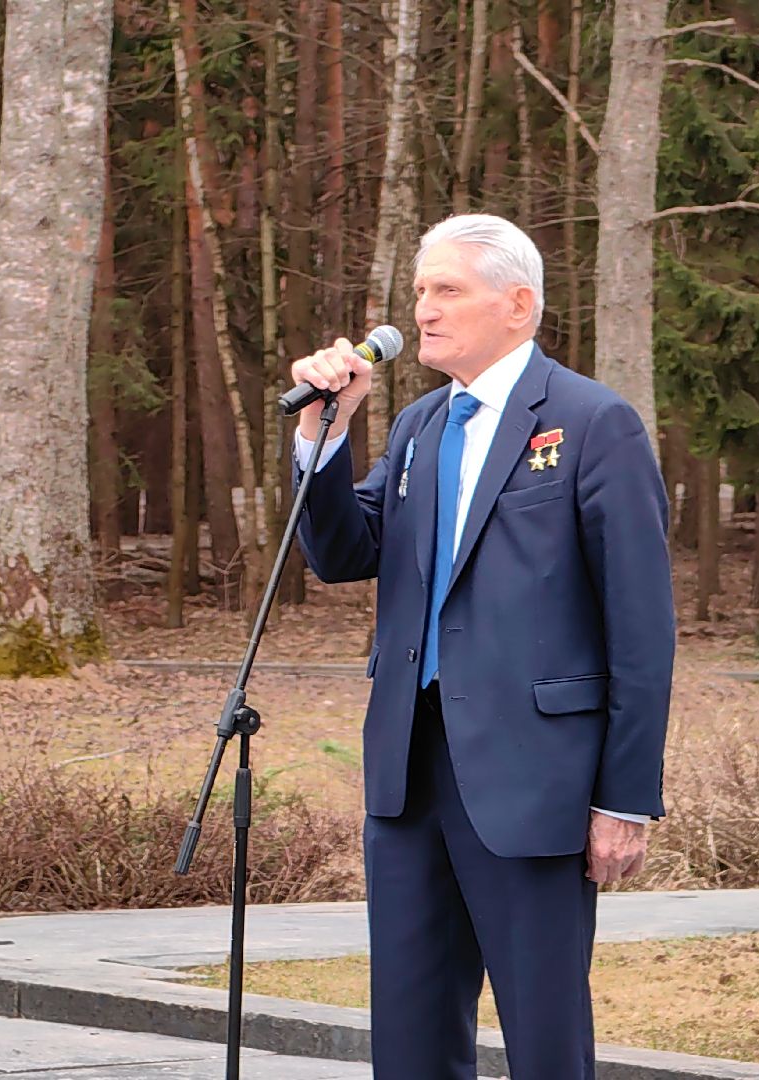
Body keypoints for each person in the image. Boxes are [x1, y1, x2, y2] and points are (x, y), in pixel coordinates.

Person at [288, 213, 675, 1079]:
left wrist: (625, 798)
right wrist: (324, 439)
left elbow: (643, 630)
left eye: (446, 289)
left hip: (534, 781)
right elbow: (346, 552)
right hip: (410, 773)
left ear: (518, 304)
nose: (422, 309)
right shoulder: (424, 425)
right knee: (412, 1035)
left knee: (543, 1039)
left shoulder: (590, 422)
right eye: (421, 290)